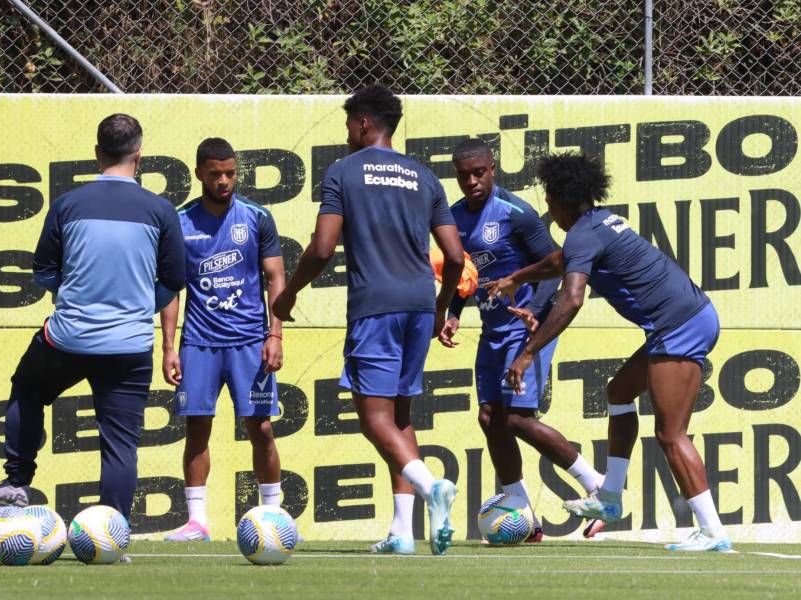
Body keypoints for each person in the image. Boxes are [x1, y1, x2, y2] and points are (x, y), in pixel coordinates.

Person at [485, 152, 731, 552]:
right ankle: (610, 497)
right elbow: (558, 262)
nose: (547, 206)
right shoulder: (598, 223)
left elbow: (572, 298)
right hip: (685, 319)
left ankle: (712, 529)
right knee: (619, 393)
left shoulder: (583, 233)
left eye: (549, 198)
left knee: (670, 434)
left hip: (679, 325)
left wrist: (528, 352)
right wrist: (517, 277)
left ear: (564, 197)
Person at [272, 85, 465, 556]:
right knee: (400, 416)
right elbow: (456, 257)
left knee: (372, 418)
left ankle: (429, 485)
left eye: (348, 127)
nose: (346, 135)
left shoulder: (343, 171)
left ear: (362, 123)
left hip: (375, 306)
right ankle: (402, 532)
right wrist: (441, 308)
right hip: (420, 304)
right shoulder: (424, 176)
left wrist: (288, 294)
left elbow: (321, 248)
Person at [0, 114, 186, 524]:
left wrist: (73, 296)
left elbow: (42, 271)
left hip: (68, 339)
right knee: (120, 443)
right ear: (139, 155)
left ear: (97, 154)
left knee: (27, 389)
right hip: (130, 346)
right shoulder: (161, 210)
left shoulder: (68, 204)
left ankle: (16, 482)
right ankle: (113, 534)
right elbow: (175, 280)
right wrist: (139, 305)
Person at [439, 139, 604, 542]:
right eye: (463, 175)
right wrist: (455, 314)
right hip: (493, 329)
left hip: (526, 328)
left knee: (516, 419)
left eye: (479, 173)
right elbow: (465, 275)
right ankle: (522, 515)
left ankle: (596, 482)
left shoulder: (517, 213)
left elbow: (559, 264)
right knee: (489, 418)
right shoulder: (454, 217)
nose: (471, 181)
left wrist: (538, 315)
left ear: (492, 169)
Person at [162, 138, 286, 542]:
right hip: (199, 342)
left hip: (250, 341)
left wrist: (275, 334)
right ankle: (197, 522)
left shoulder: (256, 217)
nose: (224, 180)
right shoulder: (180, 223)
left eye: (231, 173)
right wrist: (167, 347)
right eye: (216, 174)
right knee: (197, 429)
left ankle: (273, 515)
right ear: (199, 173)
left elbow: (275, 278)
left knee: (262, 428)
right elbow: (171, 289)